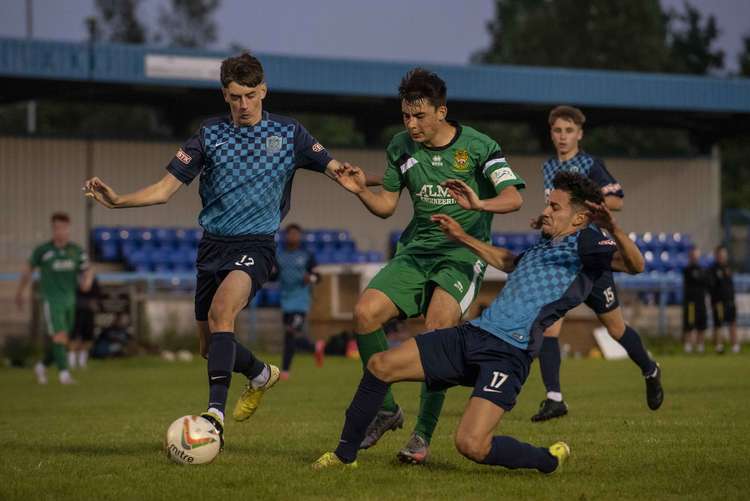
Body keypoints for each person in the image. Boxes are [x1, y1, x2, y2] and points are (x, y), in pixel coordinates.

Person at [83, 52, 358, 448]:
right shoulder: (208, 135)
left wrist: (362, 179)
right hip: (212, 247)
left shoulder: (289, 133)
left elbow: (336, 168)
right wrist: (117, 200)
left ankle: (214, 415)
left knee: (221, 311)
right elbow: (164, 190)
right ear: (223, 95)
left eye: (249, 95)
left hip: (257, 245)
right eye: (234, 97)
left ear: (263, 90)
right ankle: (261, 373)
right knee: (209, 347)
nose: (243, 105)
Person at [313, 172, 652, 471]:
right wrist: (461, 236)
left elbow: (635, 265)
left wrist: (614, 228)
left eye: (555, 207)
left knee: (471, 445)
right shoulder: (546, 244)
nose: (546, 210)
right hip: (475, 334)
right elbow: (508, 262)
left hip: (510, 353)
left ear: (579, 218)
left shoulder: (588, 243)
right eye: (548, 204)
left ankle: (548, 460)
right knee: (379, 365)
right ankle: (343, 457)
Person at [336, 68, 525, 464]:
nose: (411, 124)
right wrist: (359, 193)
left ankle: (422, 435)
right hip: (415, 252)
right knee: (364, 312)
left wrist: (478, 205)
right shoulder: (401, 146)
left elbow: (513, 198)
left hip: (461, 254)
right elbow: (387, 206)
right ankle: (386, 409)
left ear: (441, 112)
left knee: (437, 330)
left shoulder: (478, 146)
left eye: (419, 116)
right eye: (406, 115)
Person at [530, 105, 662, 422]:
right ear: (551, 133)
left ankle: (649, 368)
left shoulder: (589, 164)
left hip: (591, 254)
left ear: (580, 134)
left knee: (615, 328)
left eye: (569, 131)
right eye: (557, 131)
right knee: (549, 324)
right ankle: (554, 397)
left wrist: (585, 204)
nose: (563, 137)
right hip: (561, 255)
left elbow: (617, 199)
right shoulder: (548, 167)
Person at [15, 212, 93, 384]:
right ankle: (64, 374)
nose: (60, 231)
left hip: (70, 300)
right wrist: (20, 292)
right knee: (59, 336)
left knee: (63, 339)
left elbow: (87, 269)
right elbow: (28, 270)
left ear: (68, 229)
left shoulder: (76, 251)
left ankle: (42, 365)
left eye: (63, 228)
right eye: (57, 228)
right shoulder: (43, 251)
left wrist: (87, 281)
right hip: (51, 300)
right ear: (53, 229)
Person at [275, 223, 322, 379]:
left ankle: (286, 369)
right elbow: (273, 276)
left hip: (301, 300)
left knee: (291, 331)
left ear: (300, 236)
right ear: (285, 236)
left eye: (296, 234)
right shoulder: (279, 256)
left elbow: (318, 277)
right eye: (290, 234)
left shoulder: (307, 255)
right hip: (286, 300)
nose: (293, 237)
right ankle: (313, 348)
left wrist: (311, 278)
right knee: (290, 336)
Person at [708, 245, 740, 354]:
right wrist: (714, 301)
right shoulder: (713, 269)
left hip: (730, 300)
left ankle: (735, 346)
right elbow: (711, 287)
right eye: (720, 254)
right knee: (719, 324)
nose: (722, 256)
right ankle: (719, 346)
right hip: (719, 302)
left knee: (733, 323)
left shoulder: (728, 268)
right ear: (716, 255)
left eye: (724, 254)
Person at [69, 276, 102, 369]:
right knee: (74, 336)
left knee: (88, 337)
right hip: (76, 311)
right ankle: (71, 361)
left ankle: (82, 362)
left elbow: (97, 295)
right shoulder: (73, 278)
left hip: (89, 311)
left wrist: (94, 304)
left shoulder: (93, 279)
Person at [682, 248, 708, 354]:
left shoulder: (702, 270)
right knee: (689, 323)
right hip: (691, 302)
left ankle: (700, 345)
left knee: (701, 324)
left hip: (701, 301)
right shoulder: (687, 270)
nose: (695, 257)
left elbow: (705, 282)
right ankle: (688, 344)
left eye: (696, 255)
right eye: (693, 255)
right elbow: (694, 280)